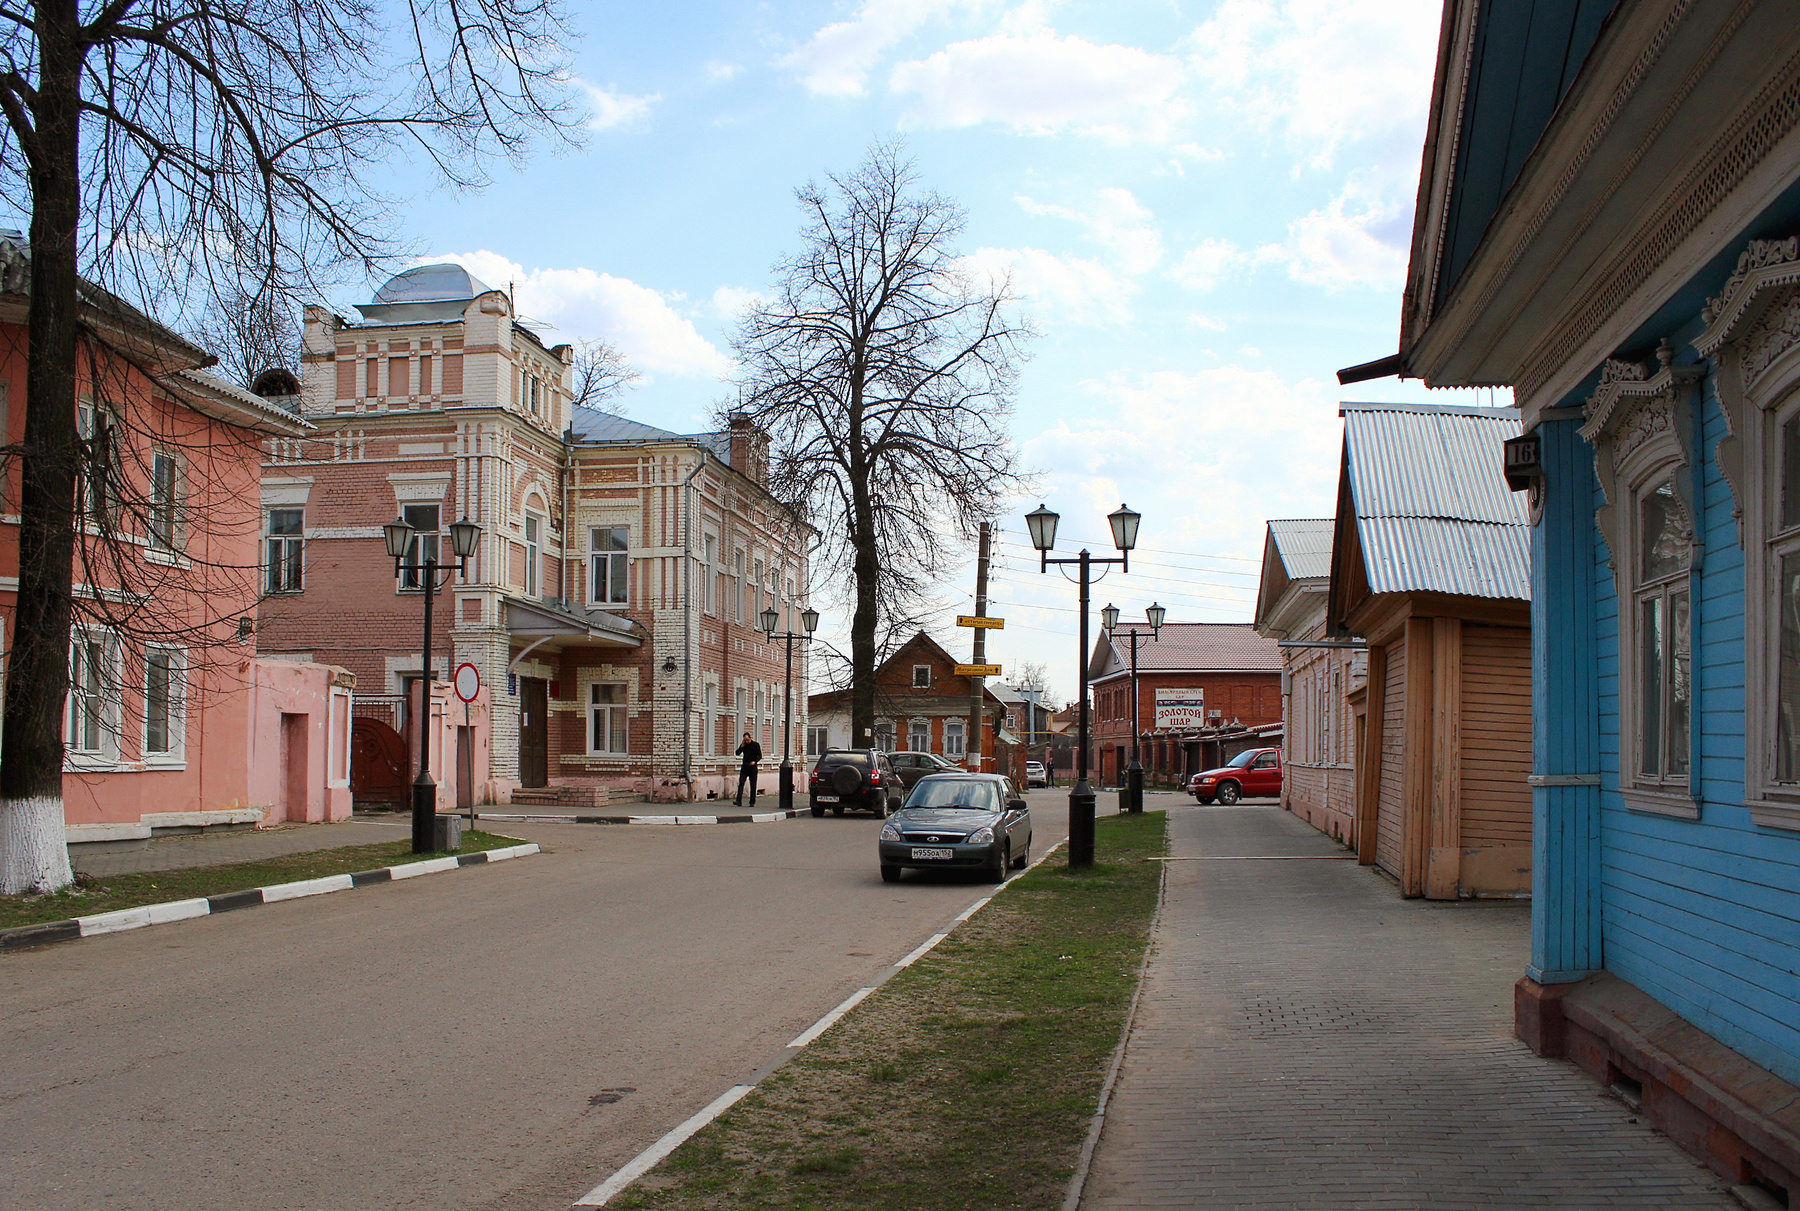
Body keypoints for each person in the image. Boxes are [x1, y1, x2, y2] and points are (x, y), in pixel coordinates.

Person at [734, 732, 763, 806]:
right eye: (745, 740)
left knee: (753, 785)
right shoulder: (744, 745)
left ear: (750, 738)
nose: (746, 741)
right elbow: (737, 753)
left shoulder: (756, 745)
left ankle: (752, 802)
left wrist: (755, 762)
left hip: (753, 768)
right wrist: (741, 746)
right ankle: (738, 801)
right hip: (745, 767)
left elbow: (759, 756)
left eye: (747, 740)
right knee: (741, 784)